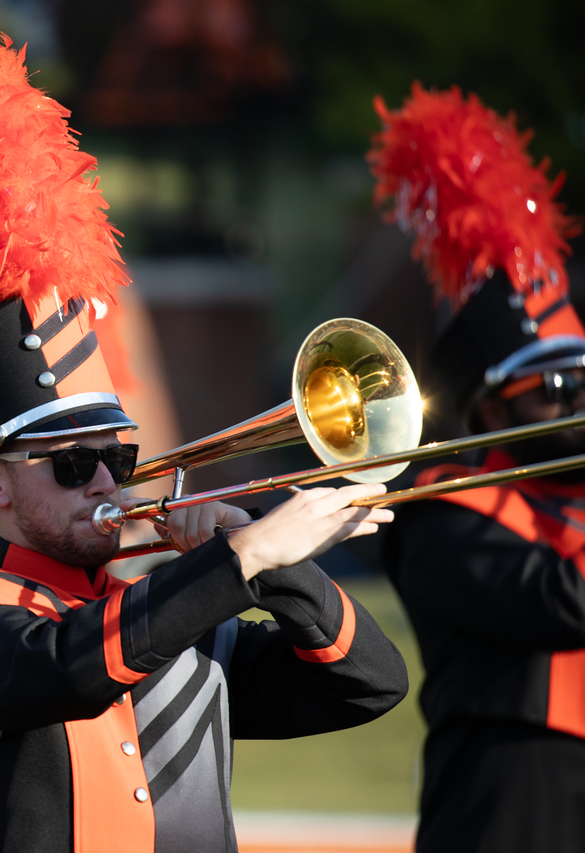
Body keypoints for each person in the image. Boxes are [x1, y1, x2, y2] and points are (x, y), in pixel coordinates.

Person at [0, 38, 409, 851]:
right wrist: (237, 562)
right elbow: (64, 666)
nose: (103, 480)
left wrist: (280, 564)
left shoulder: (184, 621)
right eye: (68, 463)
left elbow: (368, 685)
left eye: (116, 457)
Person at [372, 85, 585, 852]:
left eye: (584, 381)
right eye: (554, 388)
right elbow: (566, 603)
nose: (577, 400)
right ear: (490, 410)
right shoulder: (444, 510)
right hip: (508, 803)